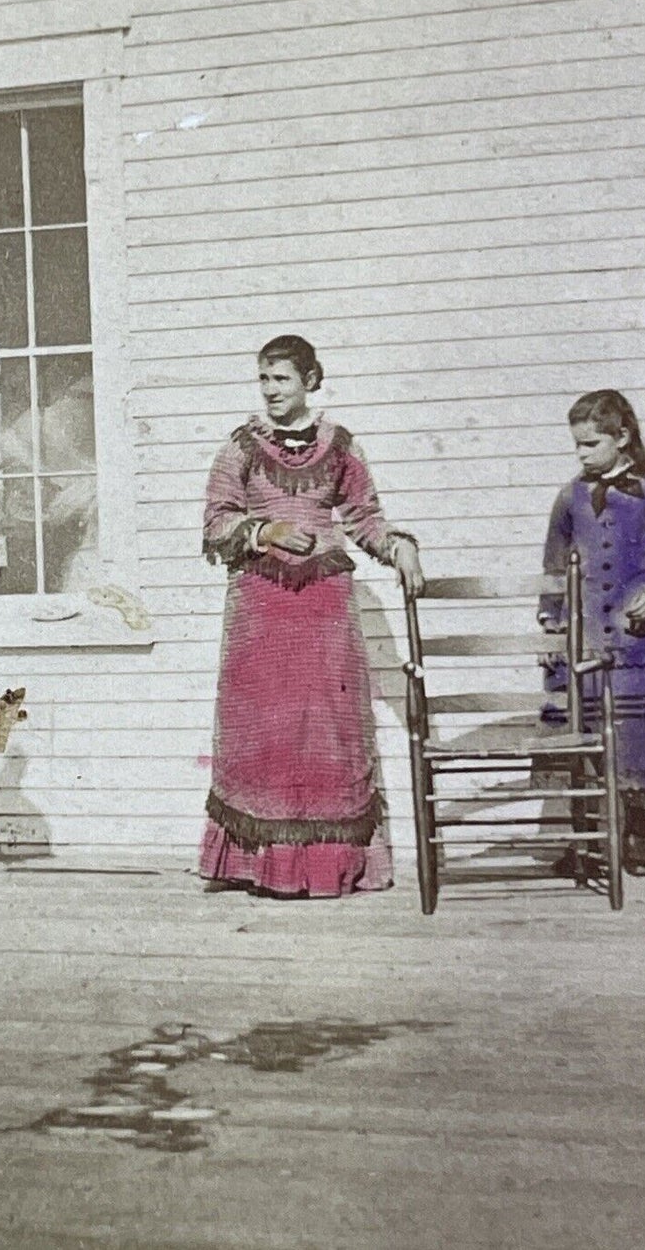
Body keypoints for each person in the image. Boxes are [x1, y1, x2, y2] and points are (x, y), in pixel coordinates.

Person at [199, 335, 424, 897]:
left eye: (282, 379)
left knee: (325, 731)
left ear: (311, 381)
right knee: (265, 730)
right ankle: (259, 868)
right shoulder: (240, 449)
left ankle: (328, 869)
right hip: (262, 606)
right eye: (264, 380)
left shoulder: (342, 447)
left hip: (324, 609)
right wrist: (266, 530)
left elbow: (365, 517)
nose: (271, 390)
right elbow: (215, 523)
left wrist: (400, 547)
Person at [539, 390, 645, 876]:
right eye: (577, 446)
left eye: (590, 444)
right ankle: (585, 842)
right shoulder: (569, 497)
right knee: (581, 742)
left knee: (637, 741)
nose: (582, 454)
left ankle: (634, 840)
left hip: (638, 641)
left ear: (622, 437)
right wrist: (553, 630)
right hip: (585, 639)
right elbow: (551, 570)